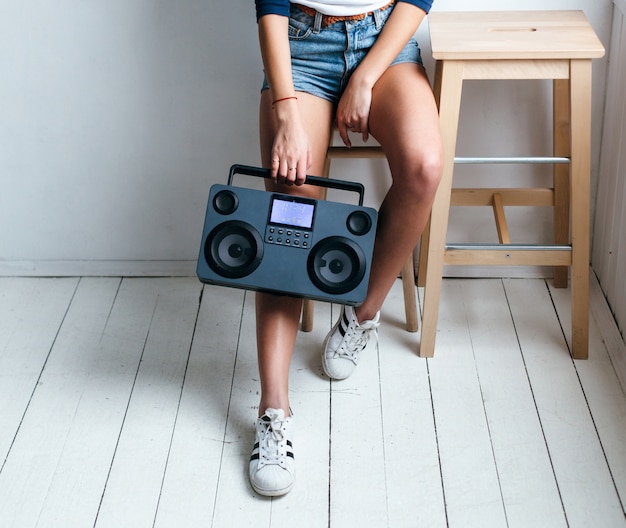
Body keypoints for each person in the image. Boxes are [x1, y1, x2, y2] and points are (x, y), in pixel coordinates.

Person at [249, 0, 441, 496]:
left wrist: (365, 76)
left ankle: (362, 314)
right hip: (301, 45)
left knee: (423, 168)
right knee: (292, 198)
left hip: (385, 44)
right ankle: (273, 411)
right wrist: (285, 109)